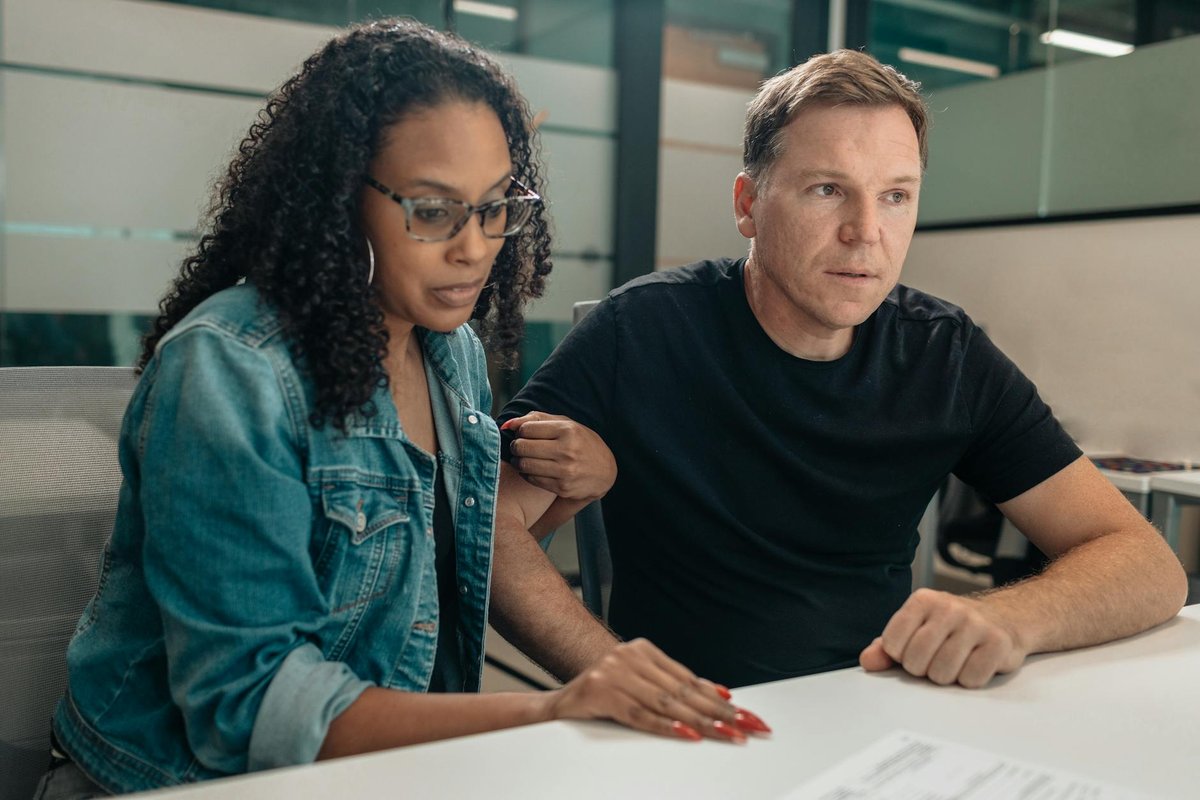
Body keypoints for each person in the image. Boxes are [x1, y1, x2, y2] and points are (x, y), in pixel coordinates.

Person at [38, 20, 765, 799]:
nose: (475, 247)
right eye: (433, 210)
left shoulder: (439, 346)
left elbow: (427, 572)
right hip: (179, 782)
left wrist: (562, 494)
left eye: (496, 207)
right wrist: (550, 710)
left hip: (373, 775)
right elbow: (247, 709)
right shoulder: (230, 369)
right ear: (335, 195)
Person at [499, 49, 1187, 691]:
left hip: (880, 705)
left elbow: (1147, 565)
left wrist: (1014, 618)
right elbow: (487, 530)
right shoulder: (644, 329)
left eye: (896, 195)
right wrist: (614, 673)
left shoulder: (942, 353)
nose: (866, 231)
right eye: (828, 189)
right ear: (748, 204)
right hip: (697, 722)